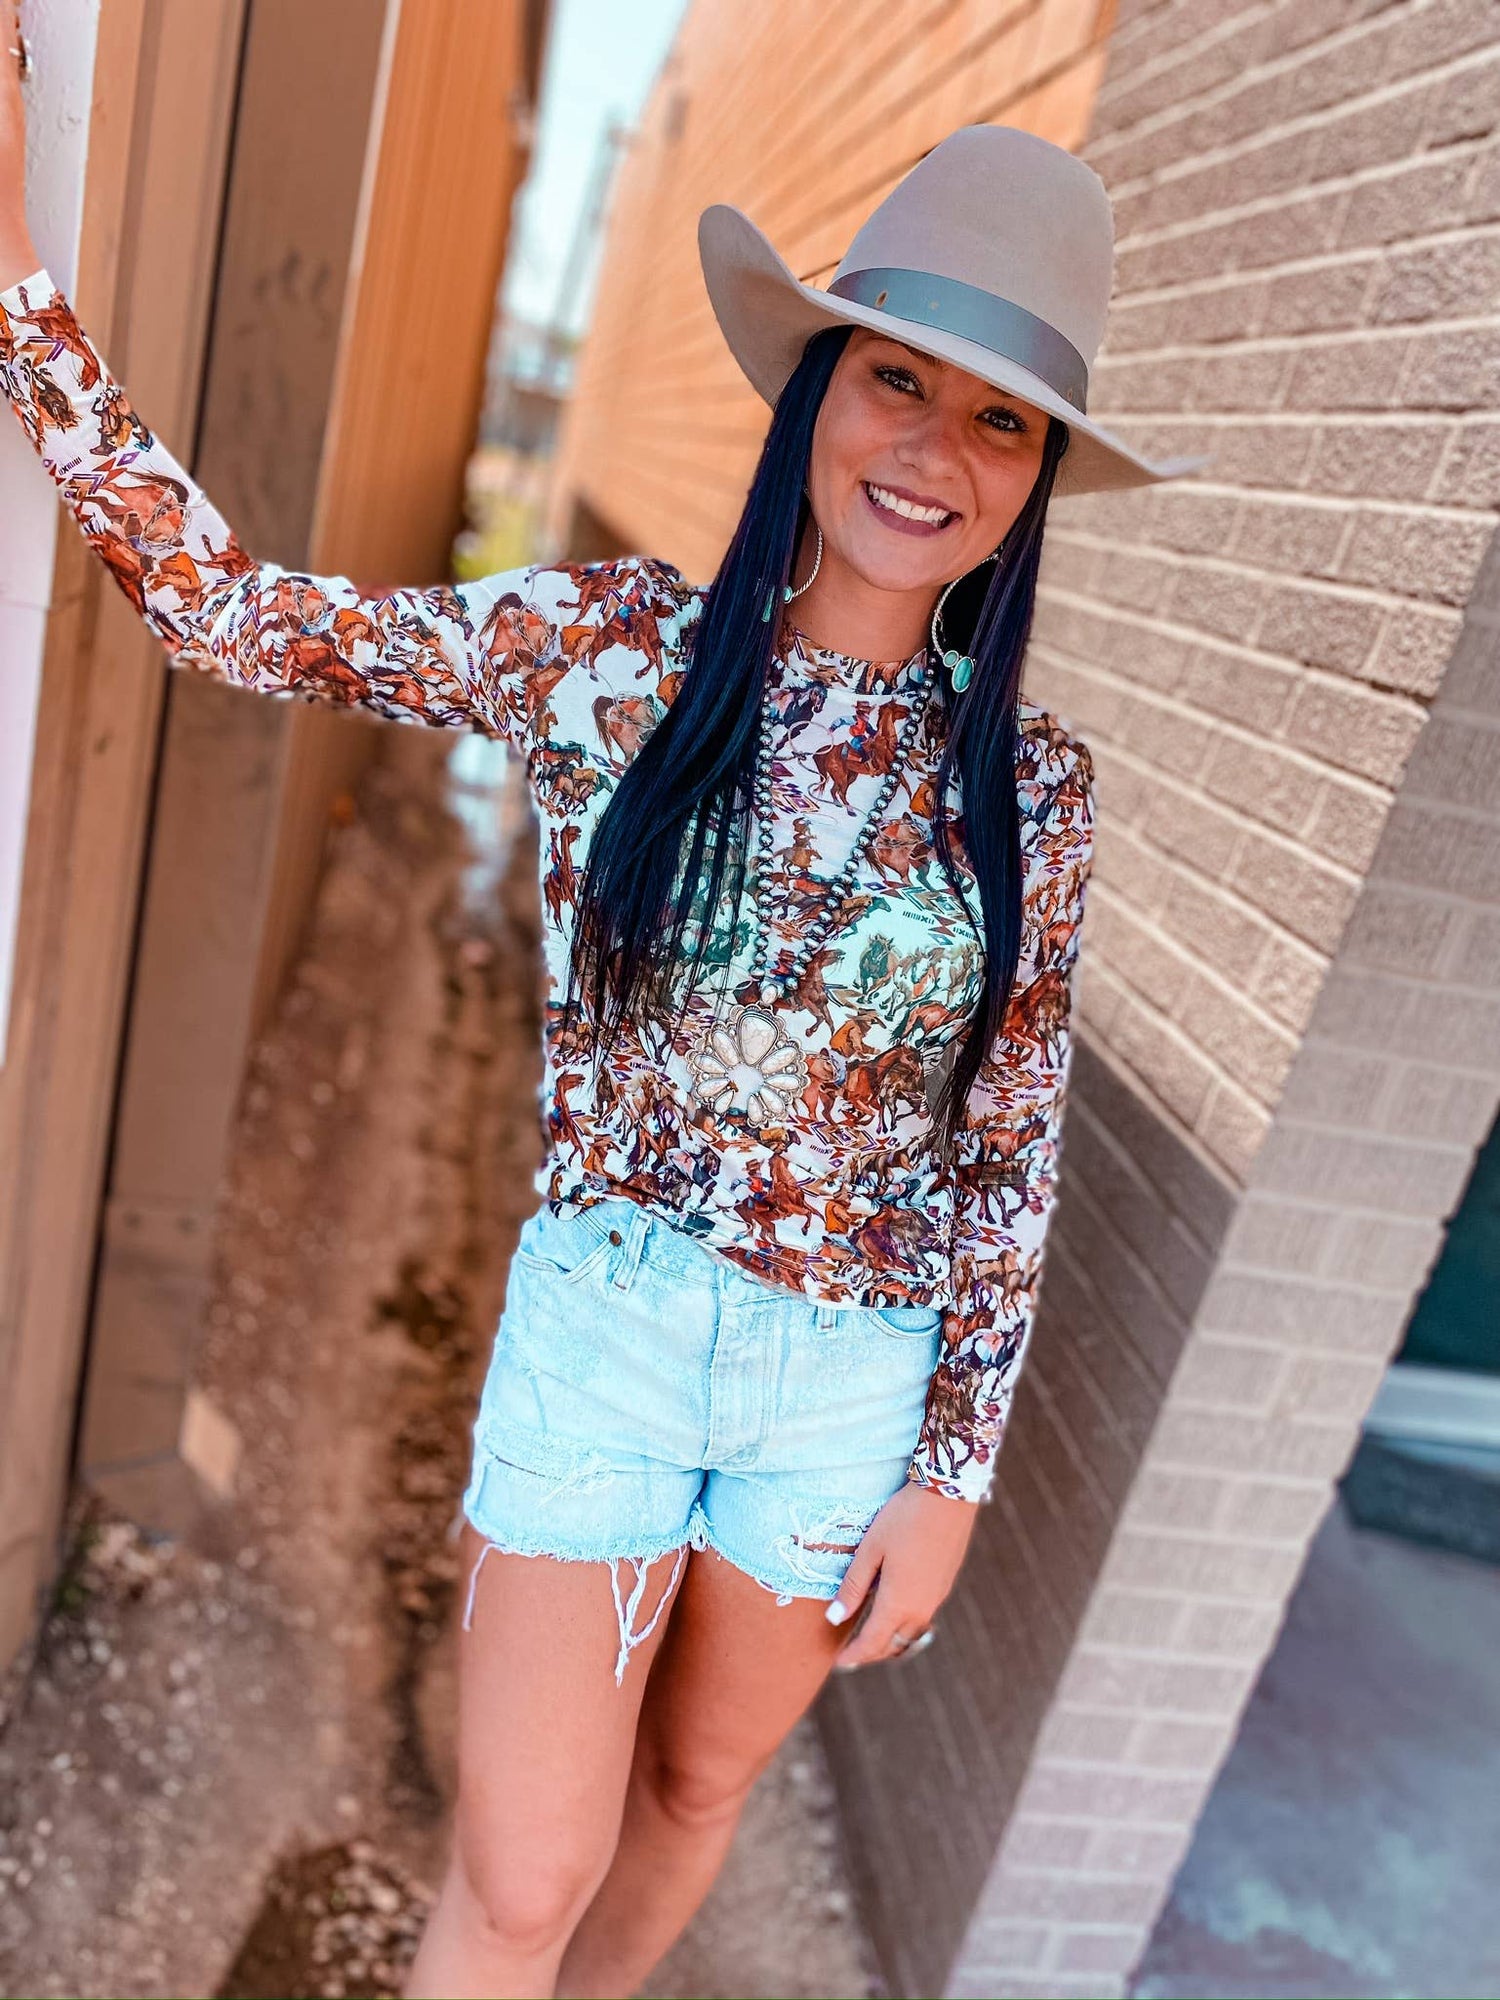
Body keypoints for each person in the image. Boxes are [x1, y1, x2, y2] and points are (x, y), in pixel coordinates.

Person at [0, 33, 1200, 1996]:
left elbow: (1008, 1146)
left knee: (697, 1791)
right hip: (607, 1336)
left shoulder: (1033, 792)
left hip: (847, 1389)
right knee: (524, 1868)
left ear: (1036, 480)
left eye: (1001, 421)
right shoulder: (608, 650)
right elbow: (234, 616)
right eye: (897, 378)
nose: (934, 451)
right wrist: (23, 299)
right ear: (815, 386)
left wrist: (952, 1471)